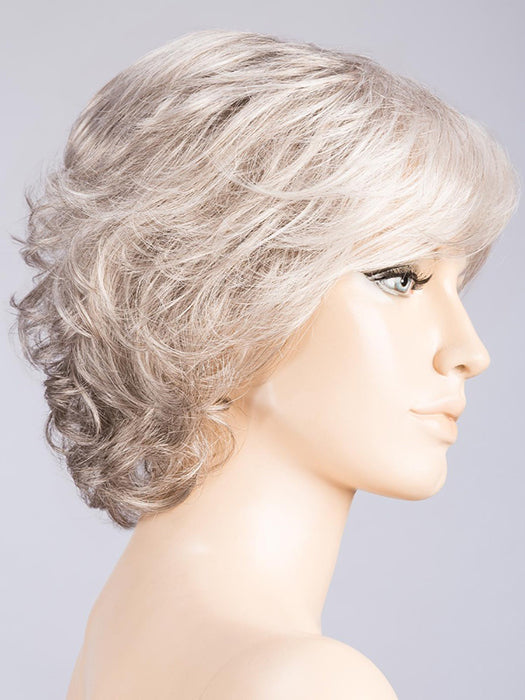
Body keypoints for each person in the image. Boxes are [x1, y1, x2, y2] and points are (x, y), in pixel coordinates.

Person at [10, 28, 519, 699]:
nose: (469, 351)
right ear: (217, 302)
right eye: (400, 279)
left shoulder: (129, 617)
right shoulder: (305, 681)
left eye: (457, 285)